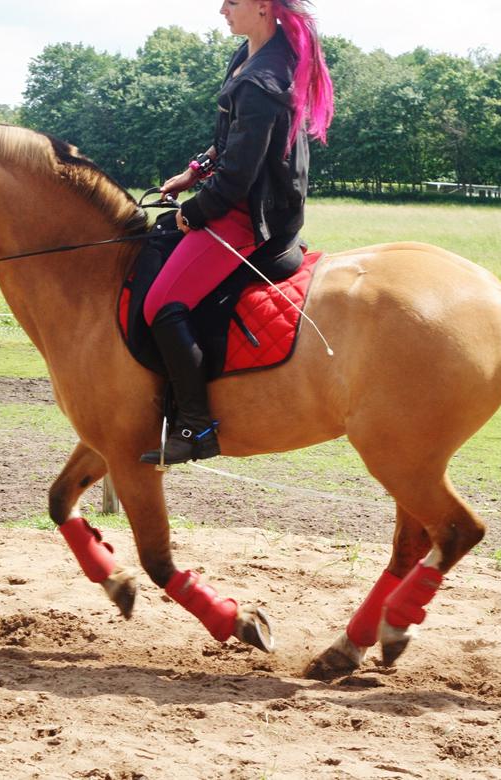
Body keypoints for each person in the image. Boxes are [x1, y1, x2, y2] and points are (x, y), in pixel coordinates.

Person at [139, 0, 335, 465]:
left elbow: (238, 176)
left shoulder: (262, 78)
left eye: (232, 1)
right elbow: (231, 142)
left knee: (160, 305)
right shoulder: (251, 55)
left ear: (262, 6)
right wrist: (194, 171)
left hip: (251, 216)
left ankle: (196, 425)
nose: (221, 9)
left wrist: (195, 211)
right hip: (247, 202)